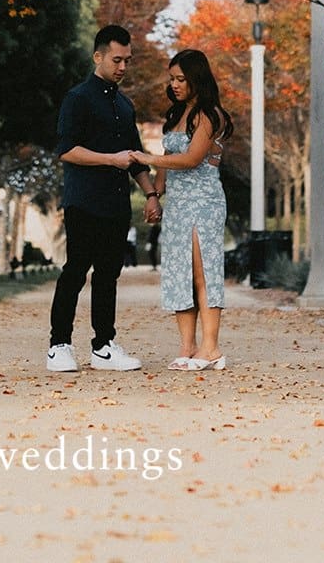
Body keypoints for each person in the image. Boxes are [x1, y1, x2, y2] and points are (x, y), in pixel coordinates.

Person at [46, 24, 161, 372]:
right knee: (76, 271)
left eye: (127, 60)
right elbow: (67, 150)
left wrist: (151, 195)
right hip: (83, 201)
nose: (123, 67)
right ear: (98, 56)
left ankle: (103, 347)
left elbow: (135, 157)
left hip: (116, 204)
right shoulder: (78, 98)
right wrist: (110, 159)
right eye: (116, 60)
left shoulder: (125, 106)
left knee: (108, 275)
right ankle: (58, 346)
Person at [132, 48, 232, 371]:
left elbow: (190, 159)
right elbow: (167, 164)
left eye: (180, 79)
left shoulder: (209, 115)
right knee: (179, 274)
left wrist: (146, 157)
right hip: (177, 205)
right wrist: (154, 196)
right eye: (172, 79)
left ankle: (211, 347)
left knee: (203, 273)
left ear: (196, 79)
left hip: (204, 203)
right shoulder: (176, 116)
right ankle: (187, 346)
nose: (174, 85)